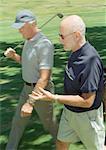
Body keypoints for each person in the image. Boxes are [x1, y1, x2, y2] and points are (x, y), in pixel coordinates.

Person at [29, 15, 105, 150]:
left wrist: (54, 97)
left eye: (62, 36)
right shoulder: (75, 51)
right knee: (61, 143)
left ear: (76, 35)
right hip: (69, 112)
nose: (59, 39)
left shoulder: (90, 60)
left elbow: (88, 101)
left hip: (86, 117)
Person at [4, 10, 58, 150]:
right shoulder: (28, 41)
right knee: (17, 123)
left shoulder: (44, 45)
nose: (20, 31)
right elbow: (27, 63)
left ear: (32, 24)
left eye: (22, 27)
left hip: (41, 92)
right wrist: (14, 56)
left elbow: (44, 77)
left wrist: (30, 102)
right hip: (26, 88)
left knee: (49, 125)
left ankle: (62, 145)